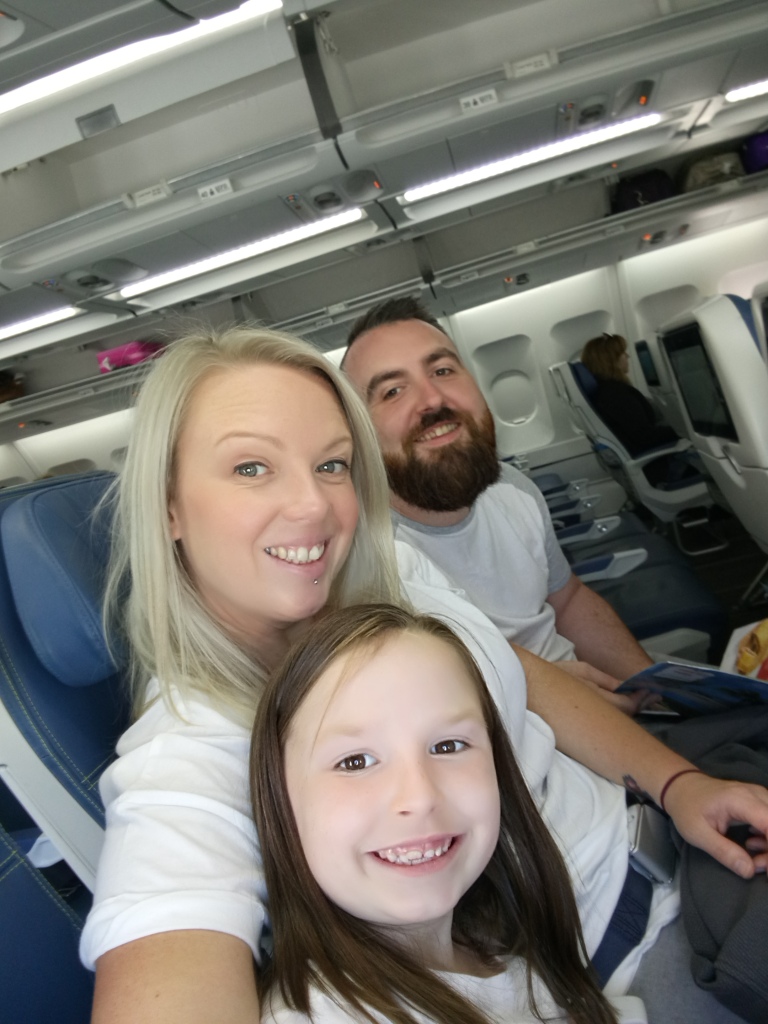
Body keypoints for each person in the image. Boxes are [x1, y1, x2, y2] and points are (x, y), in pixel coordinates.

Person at [83, 324, 768, 1024]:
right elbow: (166, 943)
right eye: (251, 468)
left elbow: (518, 673)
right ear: (168, 504)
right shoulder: (191, 748)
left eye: (332, 465)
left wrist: (677, 784)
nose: (313, 507)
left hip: (666, 833)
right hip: (637, 957)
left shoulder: (386, 575)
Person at [252, 603, 638, 1024]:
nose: (419, 797)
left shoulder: (500, 948)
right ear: (280, 799)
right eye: (355, 762)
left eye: (448, 746)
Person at [341, 297, 654, 704]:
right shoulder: (368, 565)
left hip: (598, 699)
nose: (433, 399)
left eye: (442, 370)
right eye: (393, 391)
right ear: (359, 434)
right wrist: (546, 693)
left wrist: (654, 685)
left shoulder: (513, 487)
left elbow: (568, 600)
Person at [580, 333, 699, 487]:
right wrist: (685, 429)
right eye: (623, 353)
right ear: (610, 360)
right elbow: (645, 436)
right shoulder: (615, 394)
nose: (627, 356)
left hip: (655, 461)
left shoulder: (608, 391)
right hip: (662, 466)